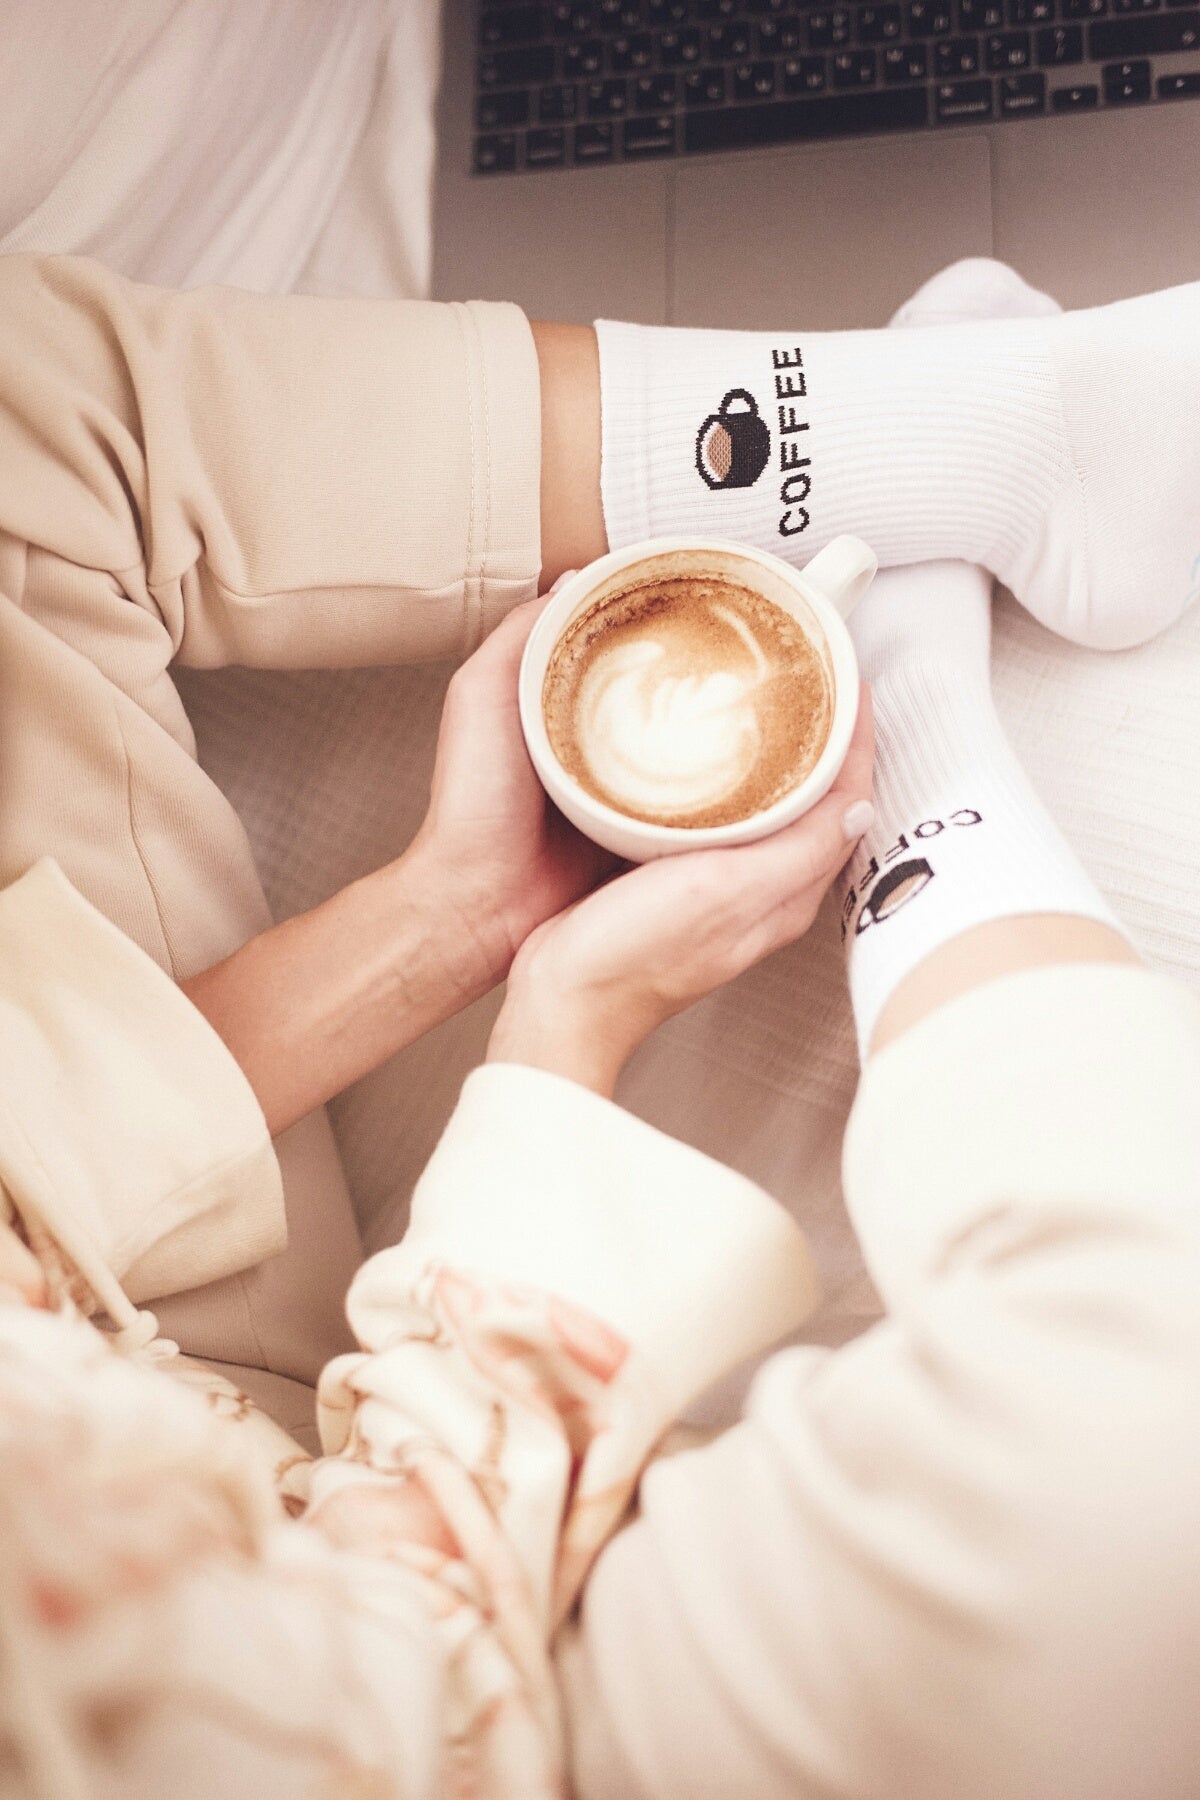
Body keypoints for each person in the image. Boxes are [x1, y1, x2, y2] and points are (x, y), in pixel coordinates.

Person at [1, 247, 1198, 1799]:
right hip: (360, 1659)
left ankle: (1002, 434)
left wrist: (451, 915)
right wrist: (567, 1026)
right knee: (1149, 1417)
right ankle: (913, 731)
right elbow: (419, 1706)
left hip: (75, 1249)